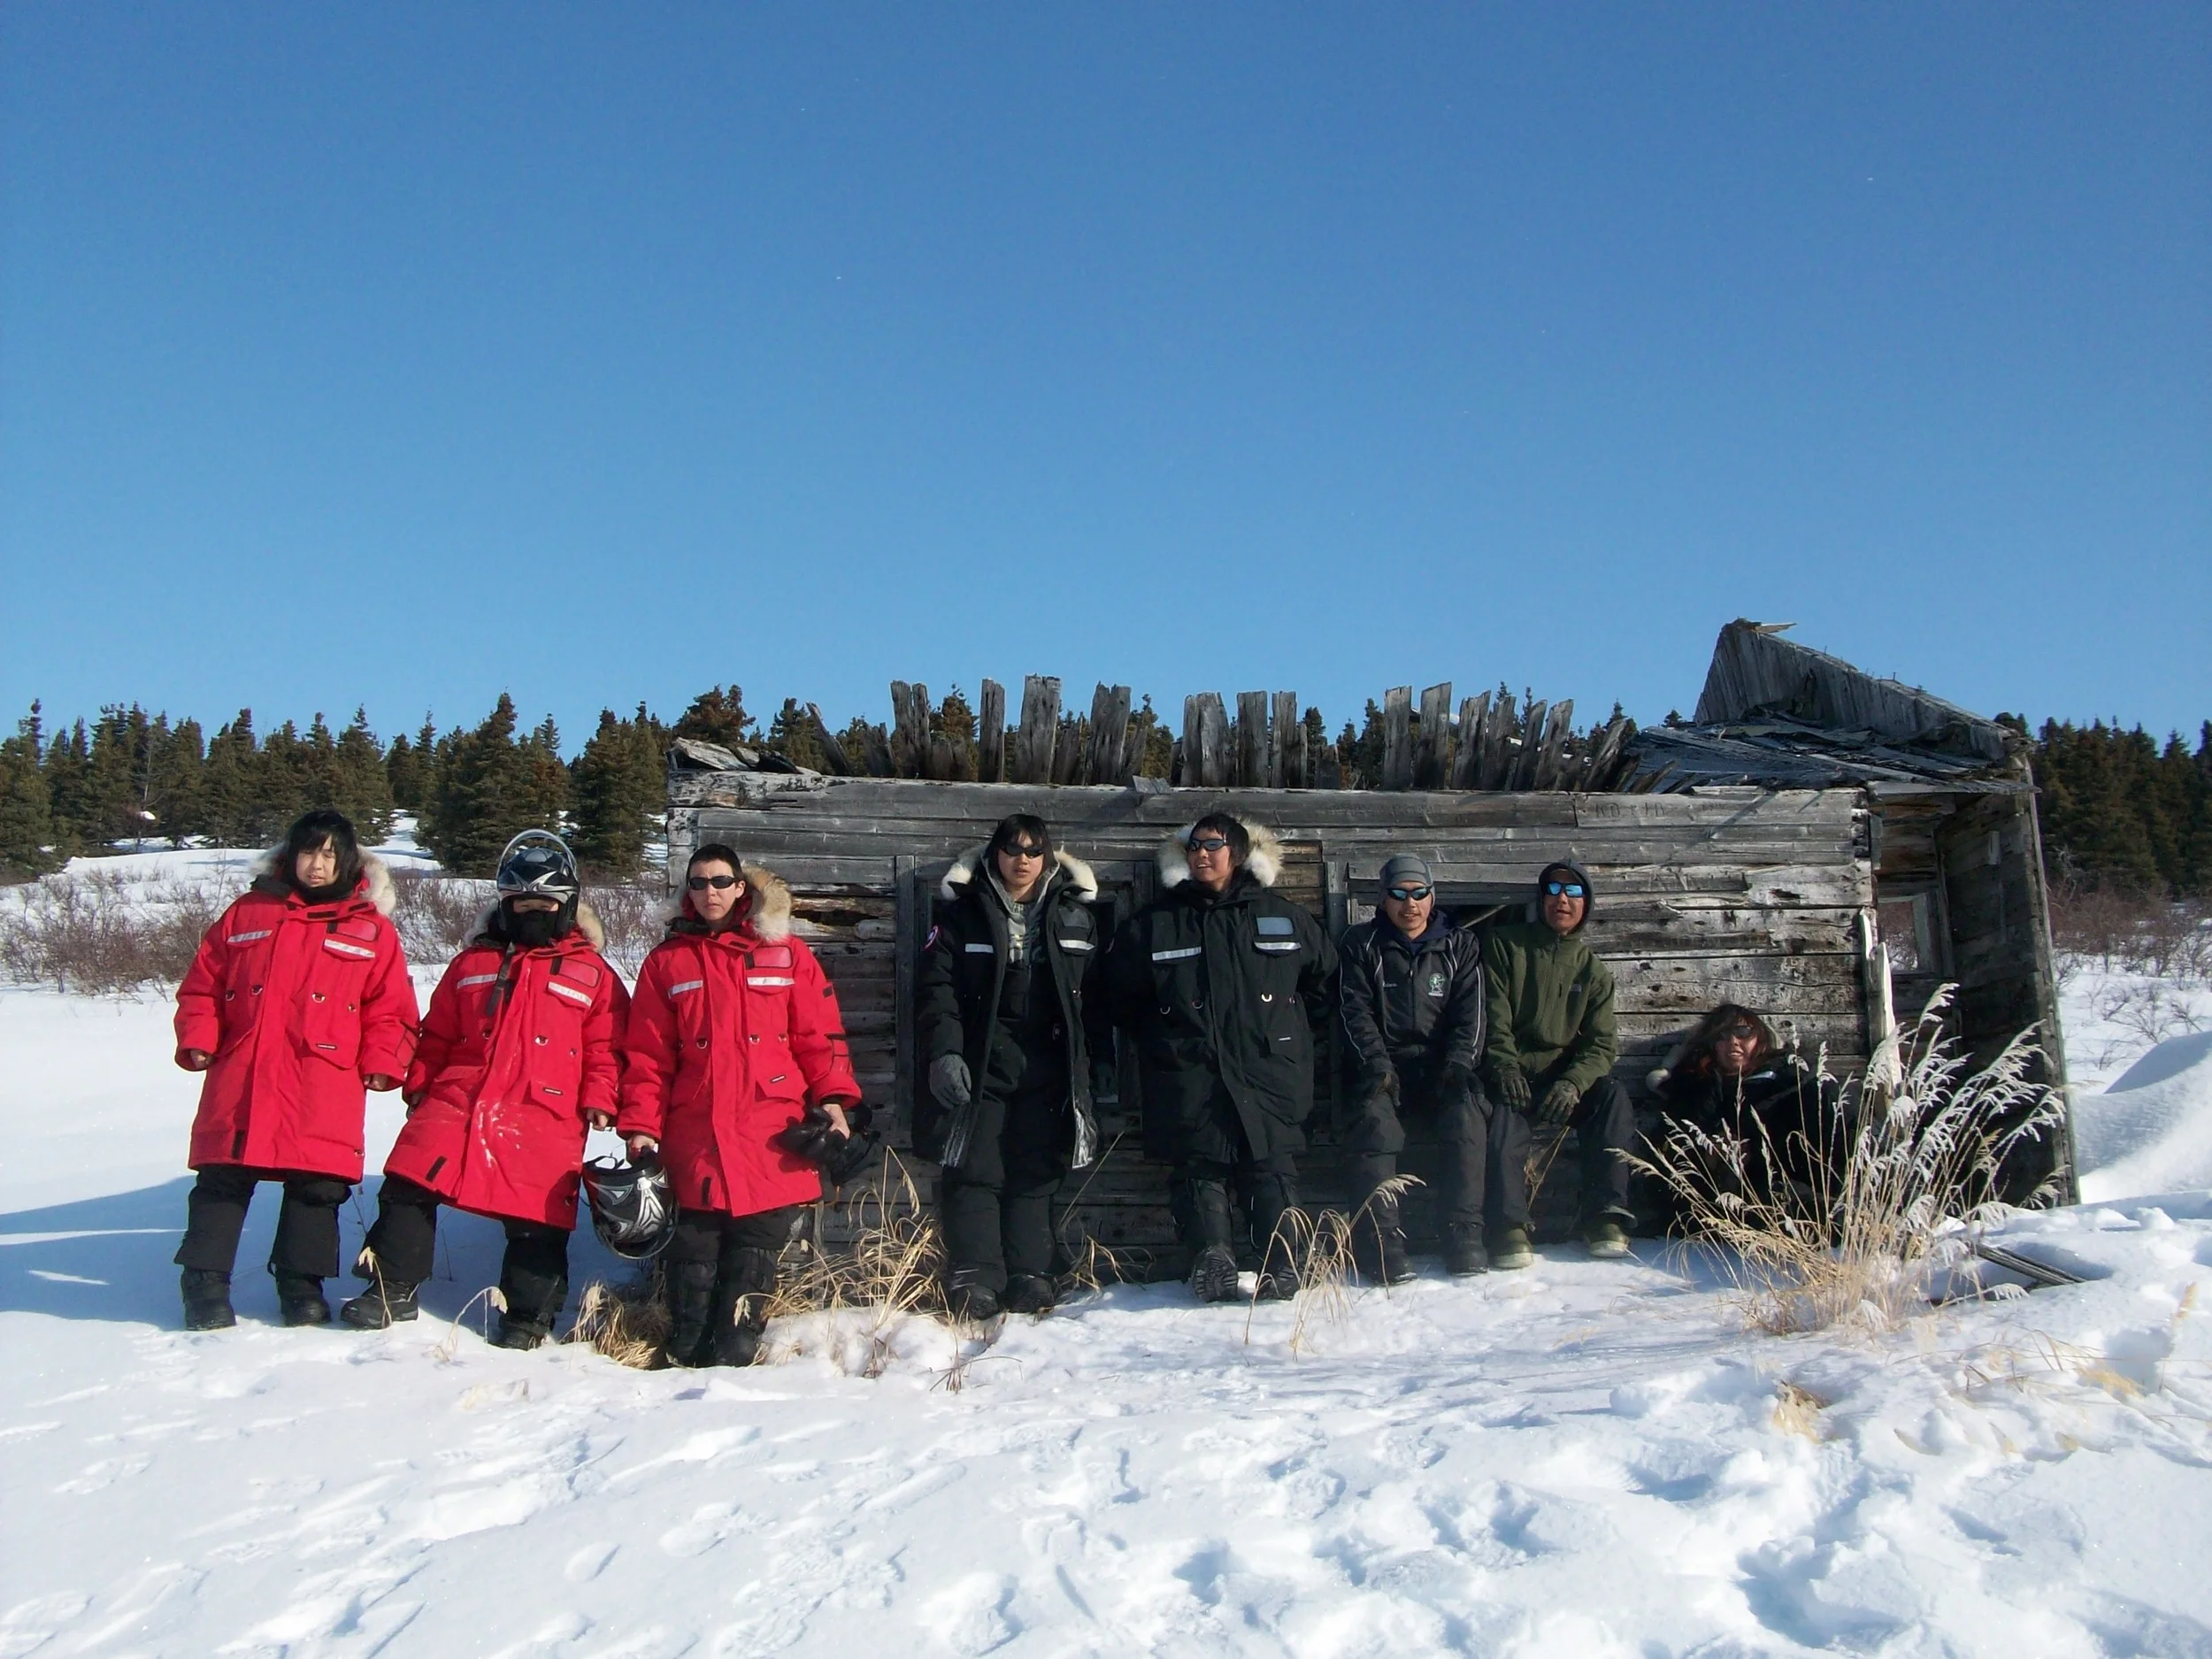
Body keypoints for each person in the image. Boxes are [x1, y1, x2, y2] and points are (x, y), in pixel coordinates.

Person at [340, 832, 628, 1348]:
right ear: (504, 904)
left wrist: (600, 1098)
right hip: (459, 1096)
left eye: (544, 904)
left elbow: (607, 1046)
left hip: (546, 1107)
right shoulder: (472, 964)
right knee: (408, 1182)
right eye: (521, 904)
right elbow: (438, 1034)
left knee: (537, 1214)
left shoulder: (593, 975)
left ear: (567, 905)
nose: (531, 913)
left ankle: (527, 1316)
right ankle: (391, 1286)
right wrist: (421, 1089)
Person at [171, 809, 417, 1330]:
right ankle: (204, 1285)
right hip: (244, 1071)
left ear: (348, 861)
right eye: (309, 852)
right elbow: (202, 986)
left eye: (330, 855)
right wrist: (198, 1038)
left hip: (324, 1077)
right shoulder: (247, 914)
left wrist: (382, 1064)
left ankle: (300, 1286)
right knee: (222, 1178)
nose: (317, 865)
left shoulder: (370, 929)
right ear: (291, 855)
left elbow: (392, 1010)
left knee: (318, 1185)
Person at [619, 842, 862, 1366]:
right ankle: (688, 1341)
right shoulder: (667, 961)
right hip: (697, 1125)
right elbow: (646, 1055)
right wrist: (640, 1124)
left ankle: (738, 1338)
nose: (710, 892)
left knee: (758, 1236)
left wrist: (835, 1099)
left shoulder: (787, 953)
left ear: (740, 887)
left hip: (771, 1125)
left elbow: (819, 1037)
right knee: (695, 1240)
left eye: (720, 881)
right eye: (699, 883)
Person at [1105, 814, 1336, 1302]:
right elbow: (1117, 999)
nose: (1201, 855)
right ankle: (1214, 1257)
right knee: (1199, 1165)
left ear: (1237, 852)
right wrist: (1166, 1035)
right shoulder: (1155, 923)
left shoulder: (1283, 916)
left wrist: (1283, 1033)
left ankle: (1284, 1260)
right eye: (1193, 847)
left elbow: (1323, 984)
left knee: (1269, 1162)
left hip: (1268, 1069)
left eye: (1212, 846)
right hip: (1188, 1070)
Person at [917, 815, 1110, 1319]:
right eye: (1011, 848)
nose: (1021, 859)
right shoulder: (962, 915)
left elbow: (1095, 1000)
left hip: (1048, 1063)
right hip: (982, 1062)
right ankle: (975, 1276)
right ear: (994, 854)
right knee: (975, 1167)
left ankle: (1030, 1274)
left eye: (1032, 850)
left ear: (1047, 857)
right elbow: (937, 991)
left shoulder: (1075, 916)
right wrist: (946, 1053)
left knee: (1036, 1168)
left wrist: (1096, 1068)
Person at [1335, 852, 1490, 1281]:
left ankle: (1464, 1234)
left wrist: (1460, 1065)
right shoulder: (1361, 944)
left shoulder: (1459, 945)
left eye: (1419, 893)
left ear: (1432, 896)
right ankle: (1380, 1243)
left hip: (1440, 1067)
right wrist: (1376, 1066)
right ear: (1383, 899)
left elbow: (1471, 1014)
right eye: (1399, 895)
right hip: (1383, 1065)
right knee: (1374, 1125)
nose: (1411, 904)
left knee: (1467, 1116)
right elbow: (1355, 1012)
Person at [1480, 859, 1637, 1265]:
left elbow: (1602, 1045)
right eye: (1552, 891)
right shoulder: (1504, 945)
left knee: (1612, 1097)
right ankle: (1508, 1227)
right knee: (1501, 1119)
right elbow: (1492, 1016)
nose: (1561, 900)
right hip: (1513, 1073)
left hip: (1560, 1081)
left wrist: (1574, 1083)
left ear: (1586, 905)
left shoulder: (1594, 972)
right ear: (1540, 900)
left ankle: (1606, 1217)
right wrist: (1504, 1066)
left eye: (1573, 893)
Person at [1647, 1003, 1847, 1221]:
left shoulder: (1787, 1078)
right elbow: (1673, 1147)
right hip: (1742, 1188)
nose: (1733, 1041)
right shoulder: (1694, 1087)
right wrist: (1709, 1155)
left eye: (1743, 1032)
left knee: (1832, 1095)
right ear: (1711, 1045)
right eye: (1722, 1035)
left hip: (1802, 1165)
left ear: (1760, 1038)